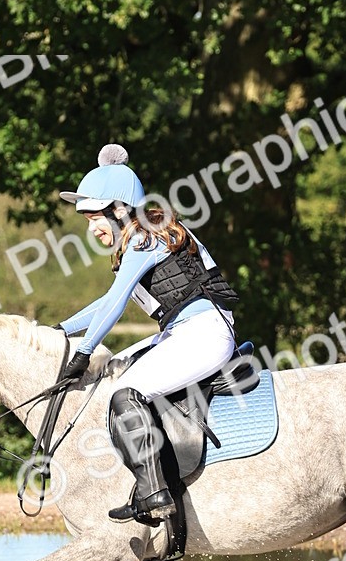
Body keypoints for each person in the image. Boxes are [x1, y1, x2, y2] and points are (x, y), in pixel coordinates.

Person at [58, 144, 239, 523]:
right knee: (121, 374)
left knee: (127, 393)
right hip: (185, 331)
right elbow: (106, 302)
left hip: (203, 333)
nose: (91, 229)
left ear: (120, 210)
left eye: (95, 219)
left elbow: (116, 303)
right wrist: (60, 331)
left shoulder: (144, 238)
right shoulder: (141, 237)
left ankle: (154, 491)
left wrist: (83, 352)